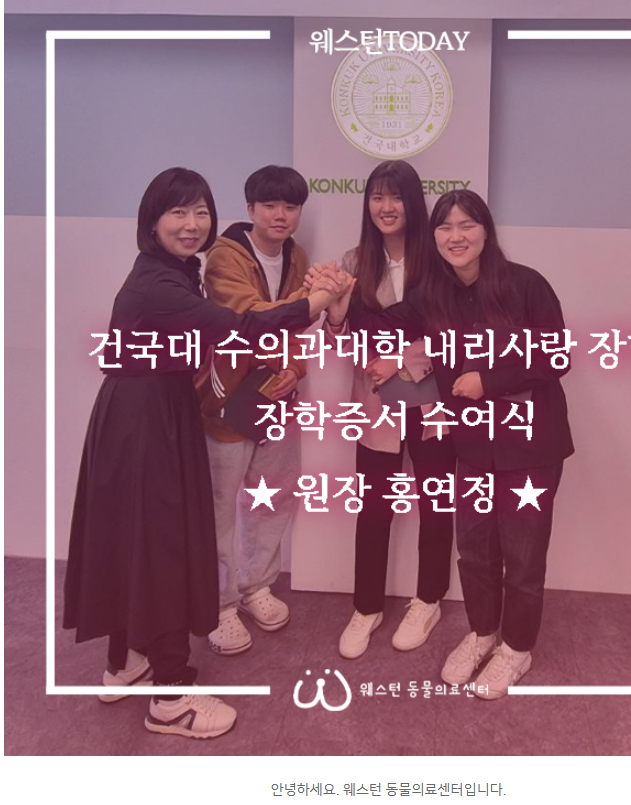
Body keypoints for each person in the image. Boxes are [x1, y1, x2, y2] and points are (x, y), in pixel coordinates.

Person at [63, 167, 346, 738]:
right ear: (152, 220)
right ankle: (171, 698)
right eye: (178, 213)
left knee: (140, 542)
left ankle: (127, 663)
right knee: (166, 548)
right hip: (145, 422)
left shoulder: (172, 271)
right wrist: (318, 298)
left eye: (200, 212)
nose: (191, 224)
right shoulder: (160, 283)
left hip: (152, 413)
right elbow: (239, 327)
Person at [322, 189, 574, 698]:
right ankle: (482, 634)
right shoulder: (433, 294)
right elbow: (386, 326)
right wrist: (341, 309)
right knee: (475, 551)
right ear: (433, 236)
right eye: (445, 227)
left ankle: (516, 649)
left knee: (523, 556)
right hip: (472, 443)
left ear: (486, 231)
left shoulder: (526, 284)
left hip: (529, 444)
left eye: (466, 225)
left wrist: (489, 380)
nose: (455, 237)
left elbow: (557, 355)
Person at [322, 161, 457, 659]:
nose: (386, 207)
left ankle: (428, 599)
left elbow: (453, 332)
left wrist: (400, 360)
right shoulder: (353, 261)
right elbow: (343, 340)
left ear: (413, 202)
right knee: (374, 504)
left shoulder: (438, 258)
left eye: (395, 196)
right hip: (376, 400)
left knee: (435, 501)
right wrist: (337, 316)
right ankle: (367, 606)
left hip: (432, 398)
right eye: (377, 196)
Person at [195, 166, 310, 656]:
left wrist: (296, 369)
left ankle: (256, 586)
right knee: (220, 506)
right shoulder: (224, 256)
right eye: (269, 205)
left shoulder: (297, 255)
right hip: (226, 400)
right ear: (250, 209)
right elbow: (250, 319)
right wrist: (316, 296)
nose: (280, 215)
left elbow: (297, 331)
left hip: (277, 398)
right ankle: (219, 605)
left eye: (290, 206)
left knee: (274, 494)